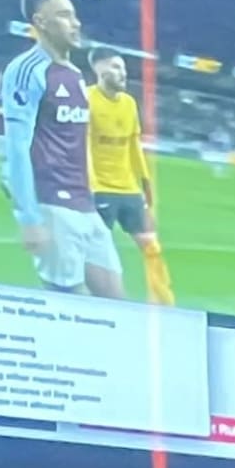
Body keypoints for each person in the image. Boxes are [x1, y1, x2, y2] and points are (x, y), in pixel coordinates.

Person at [0, 0, 119, 297]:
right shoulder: (27, 70)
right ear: (41, 22)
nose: (75, 23)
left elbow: (73, 143)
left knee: (117, 304)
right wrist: (29, 219)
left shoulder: (75, 75)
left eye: (74, 15)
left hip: (85, 205)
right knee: (71, 308)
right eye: (64, 16)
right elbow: (17, 146)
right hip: (52, 204)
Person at [85, 52, 172, 303]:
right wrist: (89, 184)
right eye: (115, 67)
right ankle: (101, 303)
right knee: (97, 253)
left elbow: (134, 145)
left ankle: (164, 304)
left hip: (129, 190)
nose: (123, 73)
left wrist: (145, 182)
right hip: (100, 188)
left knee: (152, 248)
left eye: (123, 67)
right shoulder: (86, 99)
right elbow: (83, 146)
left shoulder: (129, 103)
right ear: (100, 70)